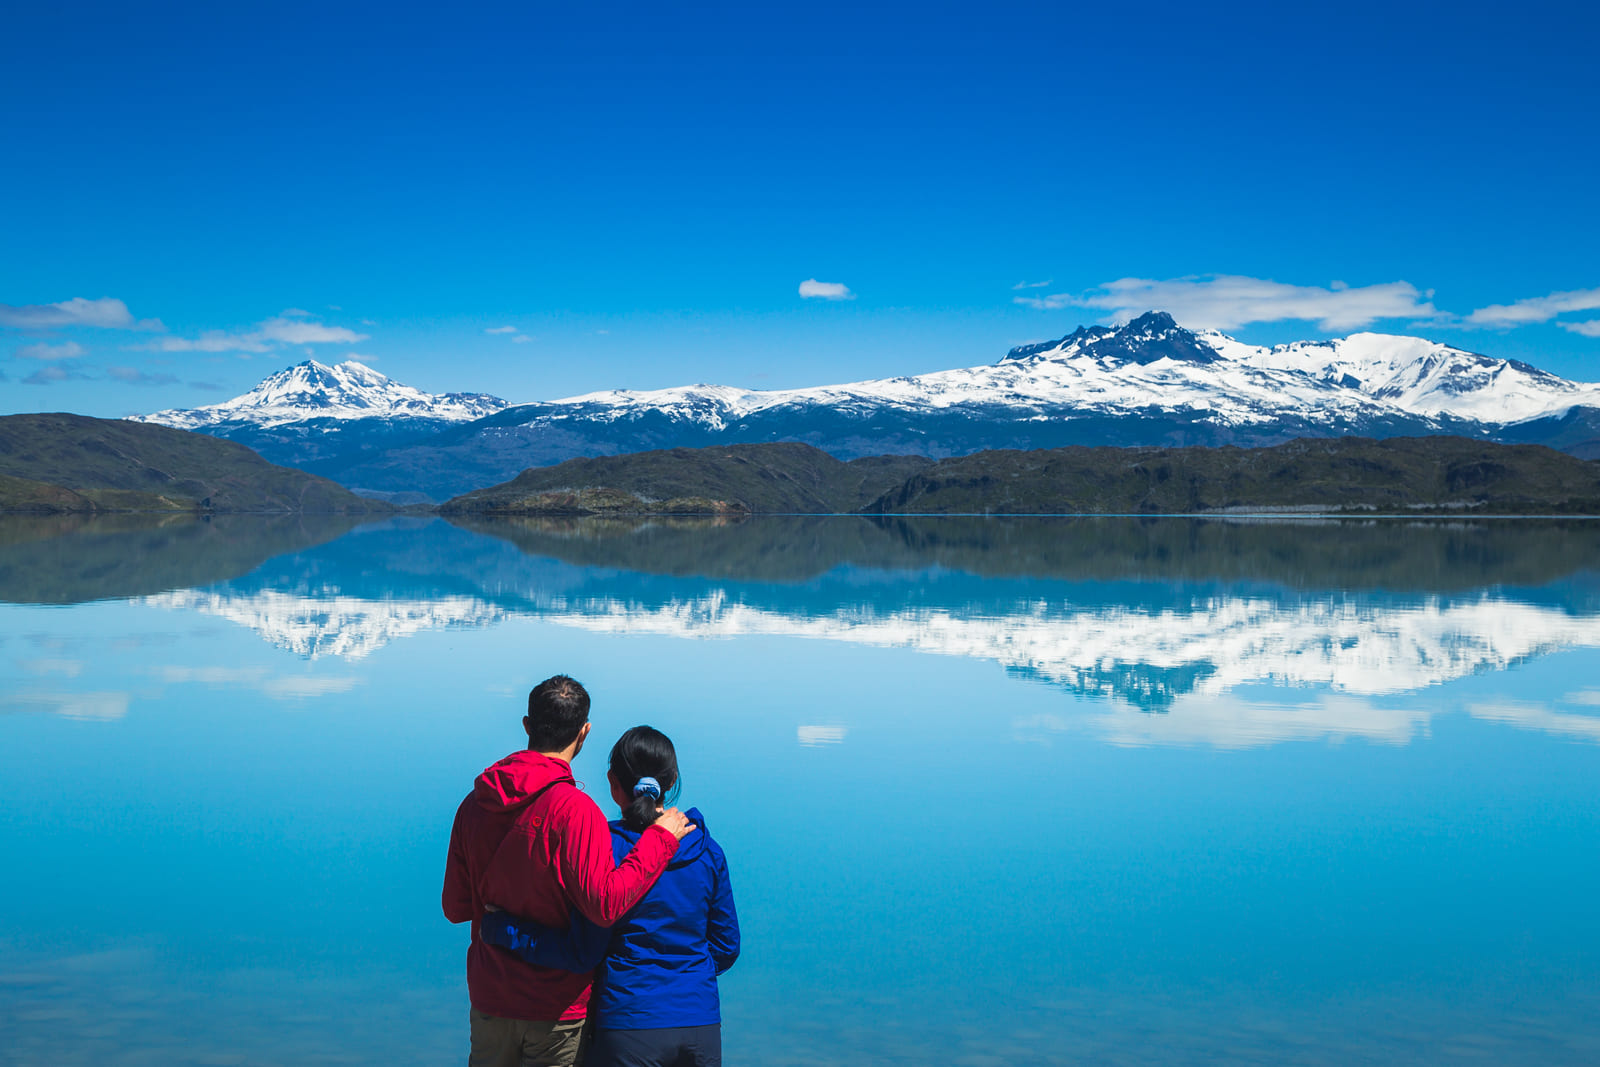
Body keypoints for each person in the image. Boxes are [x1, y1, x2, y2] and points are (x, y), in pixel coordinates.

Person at [443, 676, 697, 1067]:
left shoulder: (474, 804)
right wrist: (660, 840)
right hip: (556, 1007)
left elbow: (456, 908)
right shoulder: (577, 811)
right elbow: (605, 905)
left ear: (527, 725)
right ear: (584, 733)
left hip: (490, 998)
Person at [480, 725, 739, 1067]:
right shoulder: (707, 851)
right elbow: (726, 947)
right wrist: (686, 976)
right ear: (671, 783)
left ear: (614, 785)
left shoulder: (605, 848)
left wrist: (503, 929)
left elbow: (582, 952)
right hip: (700, 1025)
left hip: (626, 1023)